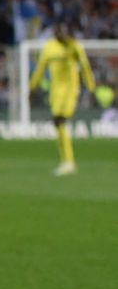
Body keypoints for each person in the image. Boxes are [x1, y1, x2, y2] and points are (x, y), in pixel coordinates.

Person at [28, 22, 95, 176]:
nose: (62, 35)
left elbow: (85, 67)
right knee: (57, 123)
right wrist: (32, 88)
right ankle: (66, 161)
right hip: (56, 91)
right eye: (59, 32)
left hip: (71, 89)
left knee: (60, 120)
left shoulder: (75, 47)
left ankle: (69, 163)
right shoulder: (49, 48)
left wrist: (91, 87)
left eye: (64, 32)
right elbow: (39, 69)